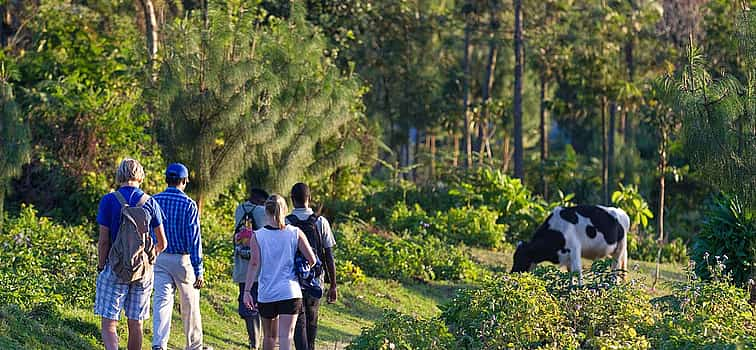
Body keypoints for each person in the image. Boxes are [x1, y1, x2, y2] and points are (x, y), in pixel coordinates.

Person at [95, 158, 167, 350]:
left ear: (120, 175)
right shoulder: (150, 202)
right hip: (142, 270)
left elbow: (103, 241)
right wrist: (148, 259)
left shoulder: (109, 200)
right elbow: (163, 243)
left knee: (109, 324)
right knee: (136, 323)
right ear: (140, 176)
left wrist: (102, 266)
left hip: (115, 267)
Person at [243, 195, 317, 350]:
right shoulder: (295, 232)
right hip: (290, 291)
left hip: (267, 292)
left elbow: (254, 263)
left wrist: (247, 291)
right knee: (286, 338)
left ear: (266, 211)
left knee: (269, 337)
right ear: (285, 211)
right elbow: (312, 259)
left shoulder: (258, 236)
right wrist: (302, 268)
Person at [151, 163, 211, 350]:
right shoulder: (188, 204)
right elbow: (194, 241)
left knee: (161, 301)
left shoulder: (153, 200)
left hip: (159, 257)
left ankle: (159, 344)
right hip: (182, 261)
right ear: (184, 181)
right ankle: (193, 346)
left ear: (166, 179)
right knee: (190, 305)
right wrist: (199, 270)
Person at [288, 183, 338, 350]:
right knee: (312, 317)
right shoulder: (321, 222)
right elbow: (329, 256)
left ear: (292, 200)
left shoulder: (286, 222)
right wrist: (333, 285)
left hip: (293, 278)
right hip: (315, 278)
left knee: (298, 318)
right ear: (309, 199)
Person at [233, 187, 269, 350]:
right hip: (259, 267)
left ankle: (253, 341)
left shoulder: (240, 209)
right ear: (262, 201)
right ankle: (257, 341)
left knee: (246, 302)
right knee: (259, 305)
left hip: (241, 265)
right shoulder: (263, 212)